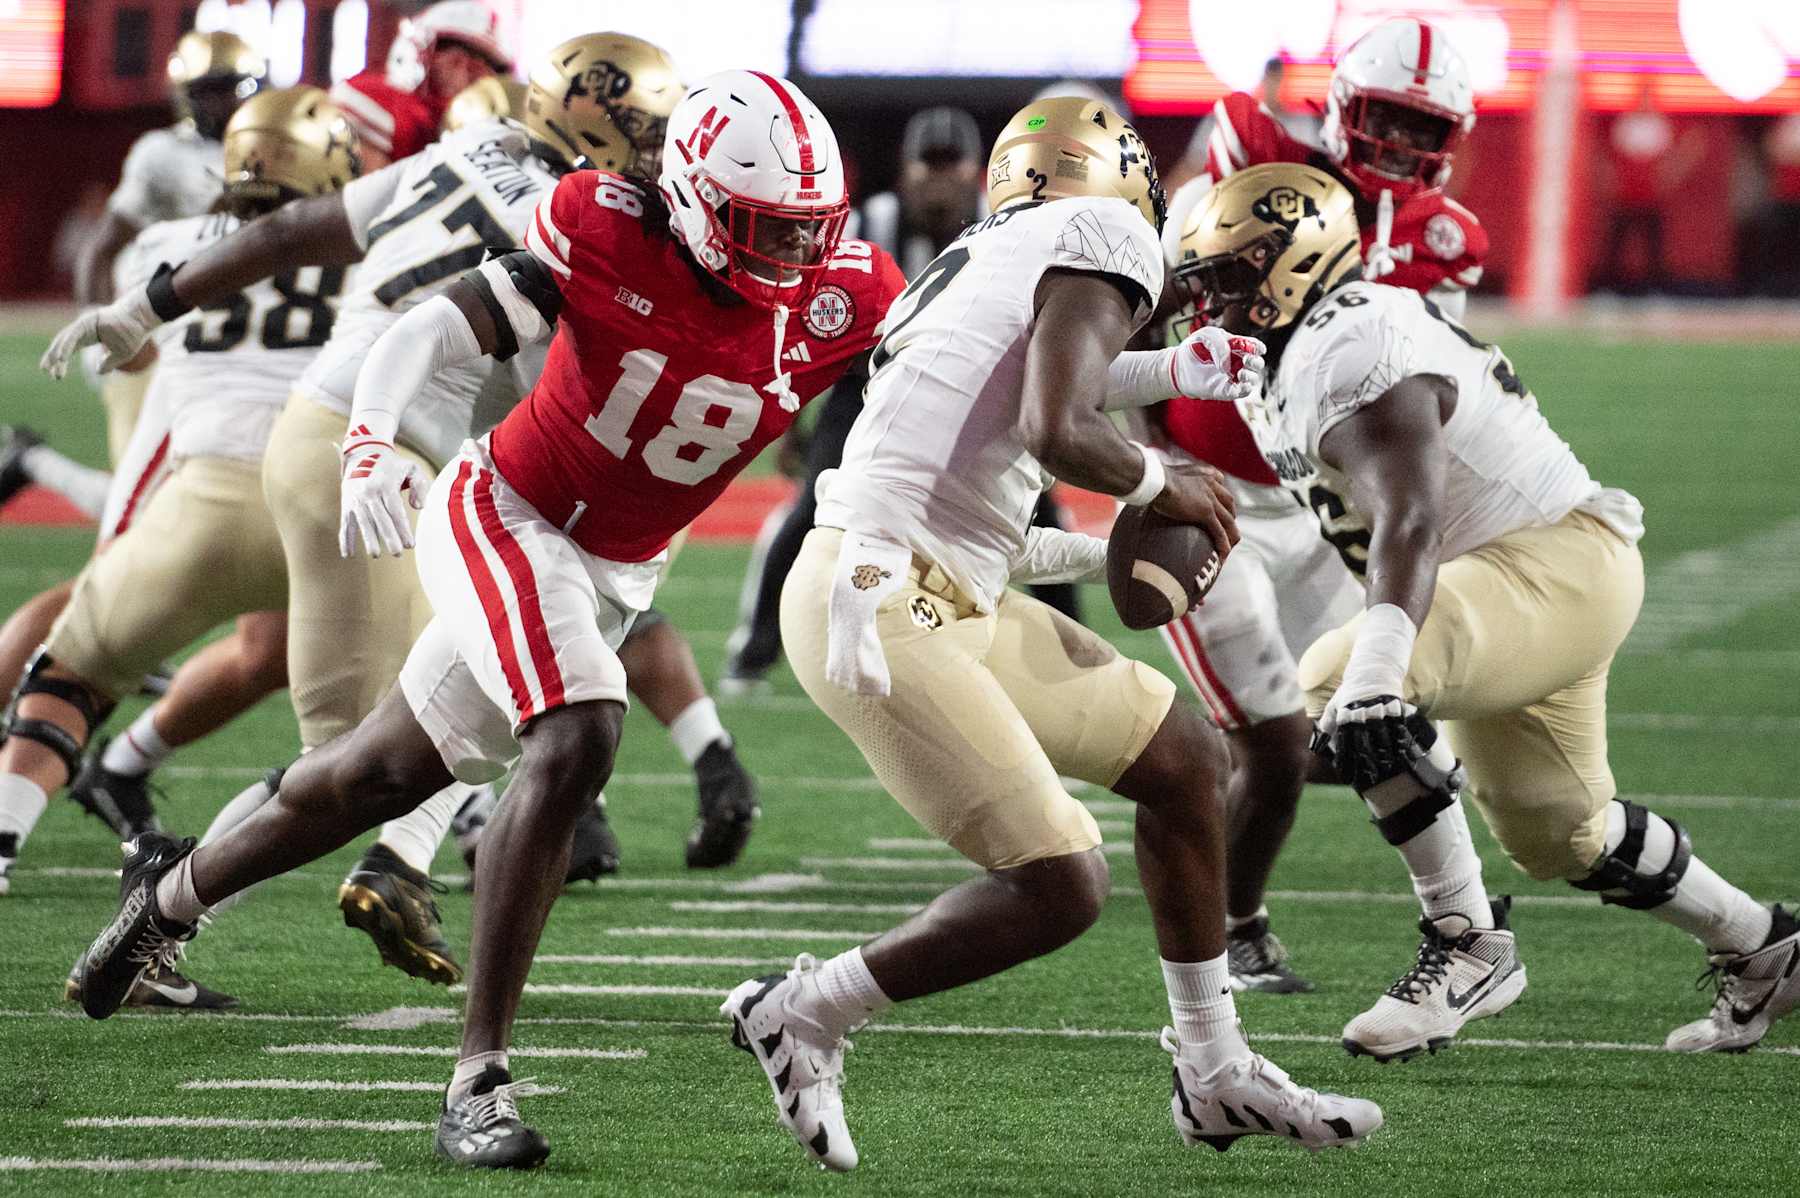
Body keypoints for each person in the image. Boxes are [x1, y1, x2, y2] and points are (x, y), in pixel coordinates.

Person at [72, 69, 906, 1169]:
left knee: (376, 778)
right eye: (767, 231)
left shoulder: (850, 285)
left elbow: (931, 412)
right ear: (696, 198)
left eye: (812, 233)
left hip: (619, 565)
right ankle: (479, 1081)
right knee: (581, 728)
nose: (795, 262)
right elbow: (433, 324)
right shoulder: (605, 228)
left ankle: (167, 901)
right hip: (507, 510)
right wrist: (371, 434)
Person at [719, 96, 1378, 1174]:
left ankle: (1213, 1072)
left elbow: (1010, 420)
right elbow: (1054, 424)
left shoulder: (993, 252)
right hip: (891, 600)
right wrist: (1169, 478)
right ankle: (804, 1010)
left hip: (923, 579)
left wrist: (1170, 376)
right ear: (1123, 181)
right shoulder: (1106, 231)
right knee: (1061, 881)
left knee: (1184, 758)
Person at [1185, 160, 1800, 1059]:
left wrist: (1378, 667)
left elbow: (1412, 517)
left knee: (1339, 681)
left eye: (1235, 273)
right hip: (1510, 582)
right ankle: (1764, 946)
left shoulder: (1346, 345)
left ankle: (1465, 944)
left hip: (1546, 565)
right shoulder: (1281, 353)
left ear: (1298, 263)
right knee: (1559, 833)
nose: (1218, 298)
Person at [1140, 19, 1492, 992]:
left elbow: (1431, 379)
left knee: (1374, 727)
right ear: (1344, 103)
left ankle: (1197, 767)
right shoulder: (1255, 152)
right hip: (1206, 489)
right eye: (1386, 116)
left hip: (1319, 503)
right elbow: (1152, 290)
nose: (1403, 145)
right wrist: (1141, 453)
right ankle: (1237, 919)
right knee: (1280, 742)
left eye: (1424, 128)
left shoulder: (1443, 238)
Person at [2, 87, 361, 951]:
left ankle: (6, 836)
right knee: (371, 746)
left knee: (74, 675)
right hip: (326, 512)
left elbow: (158, 381)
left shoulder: (166, 246)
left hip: (202, 498)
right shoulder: (379, 251)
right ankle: (177, 913)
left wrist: (125, 533)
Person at [721, 106, 1077, 694]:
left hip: (973, 395)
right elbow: (809, 320)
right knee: (818, 507)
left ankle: (1064, 662)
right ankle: (754, 648)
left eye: (951, 164)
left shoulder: (1010, 228)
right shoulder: (868, 224)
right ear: (906, 172)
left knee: (1037, 514)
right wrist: (793, 425)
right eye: (927, 165)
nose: (939, 179)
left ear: (977, 174)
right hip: (866, 390)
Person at [330, 0, 511, 171]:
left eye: (488, 65)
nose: (478, 73)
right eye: (462, 56)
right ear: (418, 49)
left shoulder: (486, 127)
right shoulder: (383, 102)